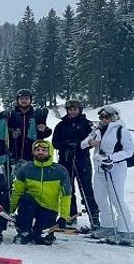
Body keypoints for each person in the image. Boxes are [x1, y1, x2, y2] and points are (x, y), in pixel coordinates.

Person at [82, 105, 134, 243]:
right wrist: (90, 142)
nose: (104, 120)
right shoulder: (97, 129)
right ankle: (108, 225)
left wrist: (111, 157)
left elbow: (129, 151)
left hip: (115, 168)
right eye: (102, 117)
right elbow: (83, 144)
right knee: (100, 199)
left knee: (117, 198)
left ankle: (126, 230)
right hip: (99, 168)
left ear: (115, 117)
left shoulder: (120, 130)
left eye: (107, 117)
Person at [10, 140, 72, 245]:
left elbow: (66, 195)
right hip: (30, 205)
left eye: (44, 150)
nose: (40, 152)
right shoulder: (26, 169)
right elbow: (17, 192)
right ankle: (24, 230)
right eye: (37, 150)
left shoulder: (60, 171)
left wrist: (63, 217)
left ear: (50, 152)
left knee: (42, 240)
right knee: (26, 198)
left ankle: (38, 232)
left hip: (49, 208)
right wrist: (10, 210)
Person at [51, 99, 99, 228]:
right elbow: (55, 143)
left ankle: (94, 217)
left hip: (82, 160)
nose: (72, 112)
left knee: (86, 188)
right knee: (68, 189)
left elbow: (91, 141)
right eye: (70, 109)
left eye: (75, 109)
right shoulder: (61, 125)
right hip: (65, 159)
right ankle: (70, 216)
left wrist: (77, 144)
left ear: (80, 110)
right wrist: (67, 144)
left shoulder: (86, 124)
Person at [8, 88, 52, 167]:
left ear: (30, 100)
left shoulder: (36, 114)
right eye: (21, 98)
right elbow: (5, 132)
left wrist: (44, 129)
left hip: (33, 156)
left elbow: (46, 134)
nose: (24, 101)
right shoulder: (11, 114)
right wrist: (11, 132)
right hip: (15, 155)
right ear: (17, 100)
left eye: (26, 98)